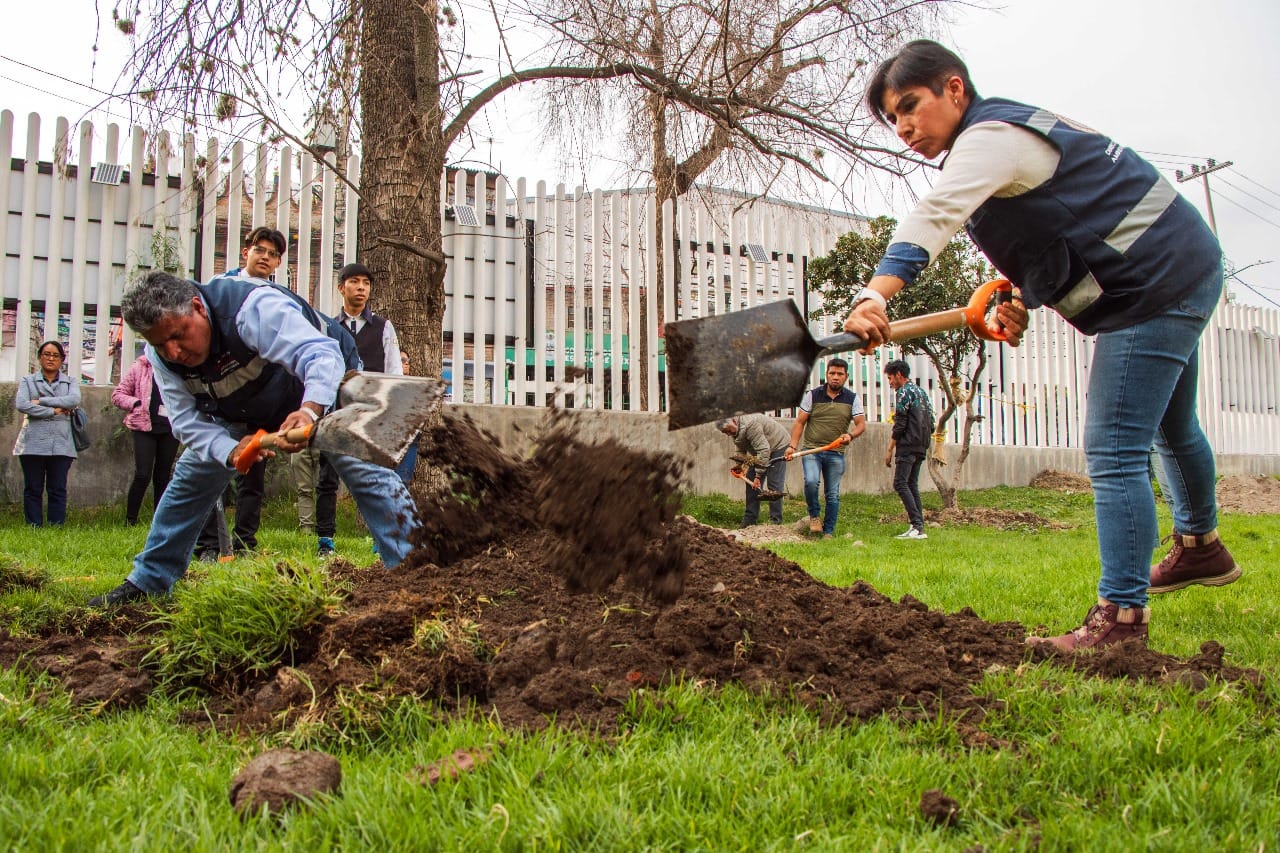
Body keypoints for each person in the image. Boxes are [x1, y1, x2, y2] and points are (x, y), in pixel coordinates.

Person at [845, 40, 1238, 651]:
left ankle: (1122, 618)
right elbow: (1068, 227)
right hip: (1181, 264)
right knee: (1172, 427)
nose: (902, 128)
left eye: (909, 106)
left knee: (1113, 448)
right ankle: (1199, 547)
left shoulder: (989, 138)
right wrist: (1019, 297)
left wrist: (877, 294)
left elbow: (935, 214)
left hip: (1153, 285)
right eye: (891, 118)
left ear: (954, 88)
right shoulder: (1003, 137)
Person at [86, 271, 418, 607]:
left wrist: (309, 411)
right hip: (242, 408)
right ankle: (150, 581)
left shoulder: (252, 308)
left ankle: (417, 571)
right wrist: (230, 450)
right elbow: (185, 419)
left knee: (361, 465)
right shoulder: (163, 357)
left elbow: (319, 355)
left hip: (320, 382)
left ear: (198, 308)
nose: (173, 352)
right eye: (160, 344)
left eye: (178, 335)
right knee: (191, 477)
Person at [290, 262, 404, 557]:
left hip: (371, 414)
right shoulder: (328, 327)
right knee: (328, 477)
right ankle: (325, 539)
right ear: (342, 288)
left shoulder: (383, 327)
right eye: (354, 282)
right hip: (336, 412)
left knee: (378, 478)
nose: (361, 288)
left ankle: (384, 541)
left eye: (366, 283)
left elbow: (394, 370)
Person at [193, 225, 289, 557]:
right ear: (245, 252)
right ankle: (208, 546)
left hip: (261, 401)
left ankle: (244, 542)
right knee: (209, 472)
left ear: (278, 263)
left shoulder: (279, 300)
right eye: (260, 250)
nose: (265, 257)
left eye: (273, 254)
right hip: (221, 400)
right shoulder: (219, 290)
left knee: (252, 477)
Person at [784, 359, 866, 538]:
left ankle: (828, 531)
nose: (835, 377)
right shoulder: (813, 395)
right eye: (832, 373)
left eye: (840, 374)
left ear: (846, 377)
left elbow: (861, 424)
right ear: (826, 374)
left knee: (832, 494)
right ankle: (814, 516)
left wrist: (850, 435)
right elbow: (800, 422)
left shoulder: (853, 398)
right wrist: (792, 446)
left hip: (836, 452)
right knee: (811, 482)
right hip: (812, 450)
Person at [12, 341, 81, 526]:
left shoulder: (70, 381)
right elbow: (22, 405)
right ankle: (33, 525)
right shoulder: (28, 381)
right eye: (47, 354)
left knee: (57, 488)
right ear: (40, 357)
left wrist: (40, 401)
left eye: (55, 355)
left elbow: (74, 399)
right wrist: (54, 410)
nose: (51, 358)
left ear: (61, 360)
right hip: (32, 441)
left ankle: (56, 525)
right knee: (33, 487)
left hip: (61, 442)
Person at [112, 352, 179, 526]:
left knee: (163, 476)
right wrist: (136, 403)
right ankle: (130, 520)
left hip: (170, 428)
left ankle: (160, 521)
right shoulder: (140, 367)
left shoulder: (177, 368)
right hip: (144, 427)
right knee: (142, 474)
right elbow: (118, 395)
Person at [883, 359, 934, 540]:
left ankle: (917, 525)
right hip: (922, 444)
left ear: (898, 375)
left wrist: (890, 448)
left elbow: (900, 423)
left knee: (900, 483)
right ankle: (918, 527)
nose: (889, 383)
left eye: (890, 378)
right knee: (911, 484)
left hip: (907, 444)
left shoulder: (903, 392)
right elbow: (932, 421)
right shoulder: (921, 392)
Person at [716, 414, 790, 526]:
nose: (727, 434)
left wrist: (758, 476)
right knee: (750, 481)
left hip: (778, 445)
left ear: (733, 421)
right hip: (762, 450)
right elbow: (740, 448)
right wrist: (739, 466)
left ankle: (775, 521)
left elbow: (764, 451)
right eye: (724, 432)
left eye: (727, 431)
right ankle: (750, 520)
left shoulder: (750, 424)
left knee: (774, 484)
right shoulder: (735, 429)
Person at [394, 349, 420, 485]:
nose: (406, 364)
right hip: (389, 442)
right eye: (402, 360)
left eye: (407, 361)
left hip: (409, 441)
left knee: (402, 483)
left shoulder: (414, 386)